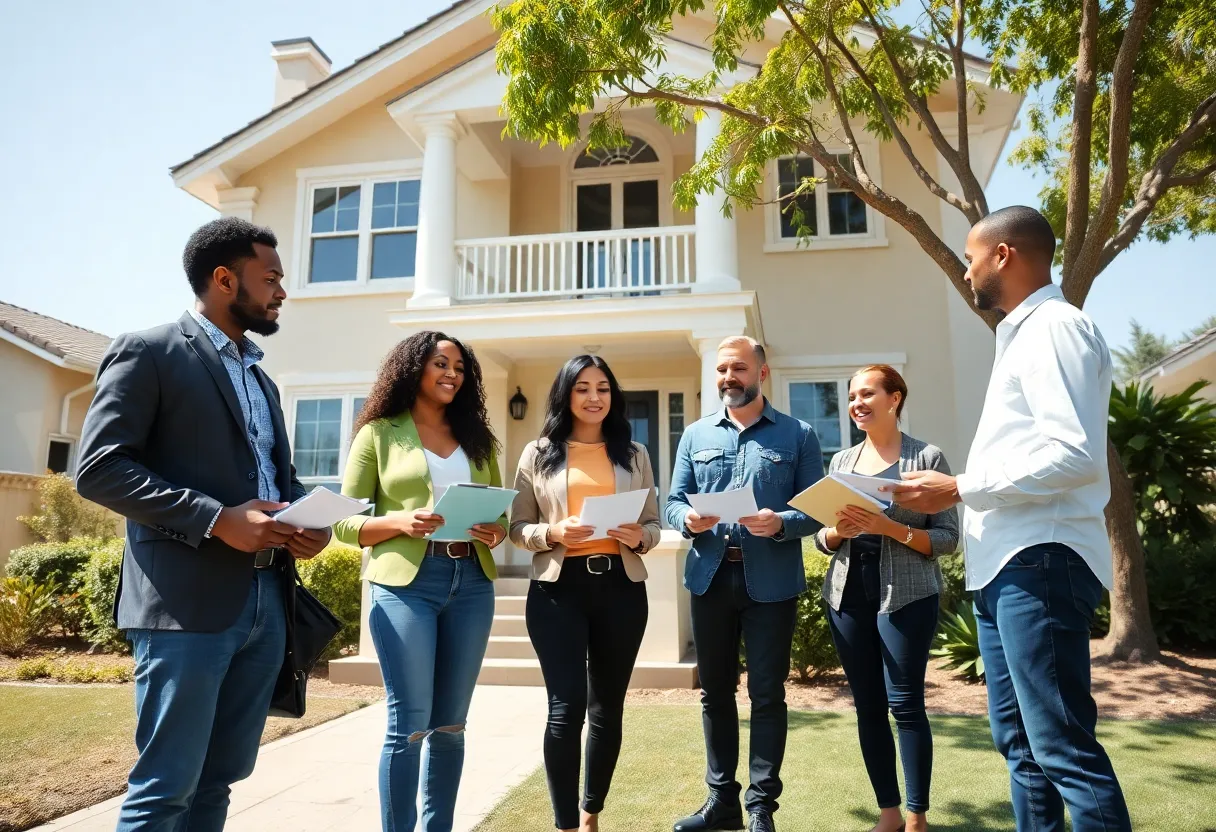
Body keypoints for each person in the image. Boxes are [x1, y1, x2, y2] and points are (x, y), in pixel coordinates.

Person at [75, 217, 331, 832]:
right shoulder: (149, 352)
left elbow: (276, 479)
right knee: (166, 789)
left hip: (268, 600)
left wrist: (309, 521)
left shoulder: (262, 379)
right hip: (184, 606)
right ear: (224, 279)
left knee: (219, 782)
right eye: (271, 278)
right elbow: (99, 469)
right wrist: (215, 519)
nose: (282, 292)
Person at [886, 206, 1133, 832]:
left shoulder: (1055, 328)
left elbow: (1074, 455)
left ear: (1003, 255)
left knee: (1061, 746)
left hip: (1040, 560)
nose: (967, 271)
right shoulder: (1021, 336)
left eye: (972, 258)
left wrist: (958, 487)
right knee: (1021, 747)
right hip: (1007, 566)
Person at [332, 331, 506, 832]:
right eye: (441, 364)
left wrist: (496, 531)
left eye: (460, 367)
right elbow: (343, 523)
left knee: (451, 724)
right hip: (406, 586)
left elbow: (502, 516)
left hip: (471, 581)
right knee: (409, 724)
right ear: (413, 369)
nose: (452, 374)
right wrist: (400, 522)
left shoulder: (477, 437)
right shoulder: (378, 433)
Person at [666, 336, 824, 832]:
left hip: (771, 583)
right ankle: (721, 802)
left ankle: (761, 808)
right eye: (721, 370)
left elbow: (816, 510)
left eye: (738, 368)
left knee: (767, 694)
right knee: (714, 693)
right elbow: (672, 502)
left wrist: (781, 523)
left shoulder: (799, 435)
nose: (728, 377)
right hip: (709, 578)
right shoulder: (694, 435)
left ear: (762, 372)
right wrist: (687, 519)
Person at [510, 354, 662, 832]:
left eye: (602, 388)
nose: (594, 397)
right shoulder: (538, 453)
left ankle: (590, 812)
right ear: (566, 395)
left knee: (607, 709)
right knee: (565, 708)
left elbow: (654, 524)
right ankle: (565, 825)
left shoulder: (635, 454)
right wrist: (552, 533)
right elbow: (517, 526)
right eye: (582, 388)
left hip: (621, 588)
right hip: (558, 592)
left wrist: (640, 536)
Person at [813, 365, 960, 832]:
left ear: (894, 398)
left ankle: (917, 817)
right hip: (848, 597)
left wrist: (888, 527)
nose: (856, 403)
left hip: (907, 598)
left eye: (867, 393)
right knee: (869, 707)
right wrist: (837, 532)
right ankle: (889, 813)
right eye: (851, 396)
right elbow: (823, 537)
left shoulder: (927, 458)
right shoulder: (841, 461)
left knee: (907, 706)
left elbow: (947, 538)